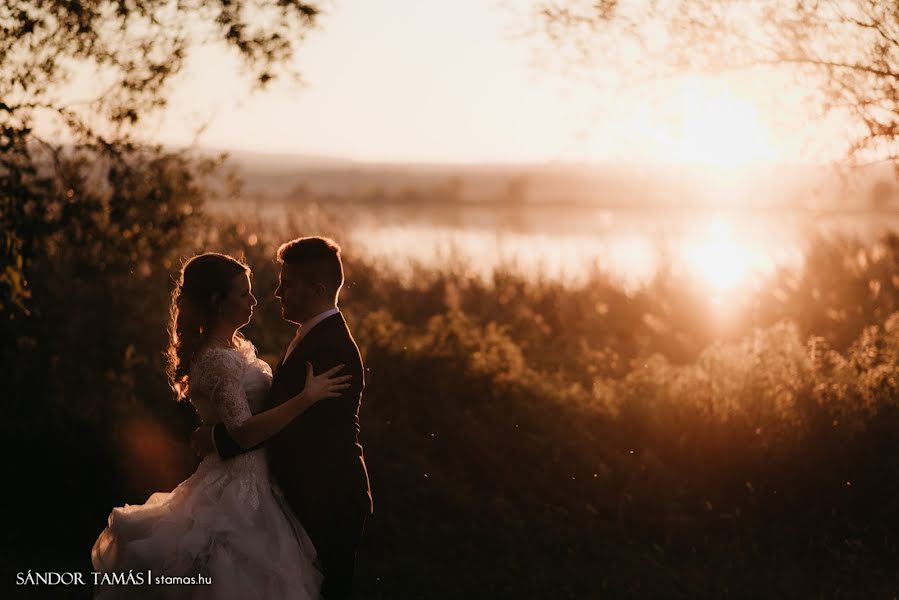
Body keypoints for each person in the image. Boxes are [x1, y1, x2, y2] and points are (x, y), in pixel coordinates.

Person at [92, 253, 350, 599]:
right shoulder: (215, 360)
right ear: (217, 301)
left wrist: (213, 436)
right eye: (243, 294)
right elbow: (243, 432)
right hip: (237, 490)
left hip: (260, 484)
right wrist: (307, 398)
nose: (254, 300)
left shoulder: (238, 348)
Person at [193, 237, 372, 600]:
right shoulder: (313, 336)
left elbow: (289, 429)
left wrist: (215, 438)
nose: (276, 292)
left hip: (326, 497)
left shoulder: (330, 349)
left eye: (287, 284)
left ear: (316, 289)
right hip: (301, 493)